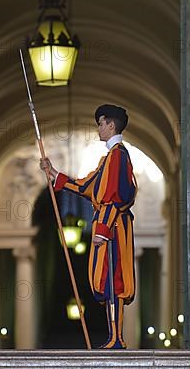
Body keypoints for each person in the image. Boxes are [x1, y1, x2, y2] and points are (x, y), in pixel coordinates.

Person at [40, 104, 138, 349]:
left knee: (114, 283)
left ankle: (116, 338)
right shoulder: (110, 158)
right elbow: (87, 186)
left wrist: (102, 232)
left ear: (111, 125)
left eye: (101, 124)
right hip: (110, 227)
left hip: (113, 229)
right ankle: (112, 336)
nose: (98, 129)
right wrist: (53, 173)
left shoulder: (117, 156)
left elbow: (115, 197)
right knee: (107, 284)